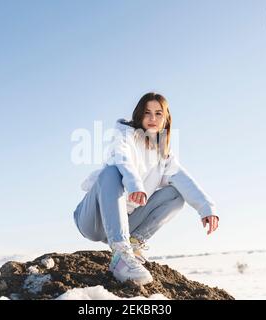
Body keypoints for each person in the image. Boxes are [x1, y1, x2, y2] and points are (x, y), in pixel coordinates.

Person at [73, 92, 219, 285]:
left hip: (127, 221)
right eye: (147, 113)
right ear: (139, 115)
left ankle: (133, 243)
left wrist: (206, 208)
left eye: (158, 114)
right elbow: (121, 157)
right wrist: (134, 184)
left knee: (176, 194)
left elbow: (183, 179)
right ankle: (120, 254)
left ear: (165, 118)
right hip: (93, 219)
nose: (152, 118)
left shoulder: (164, 155)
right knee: (110, 172)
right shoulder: (124, 135)